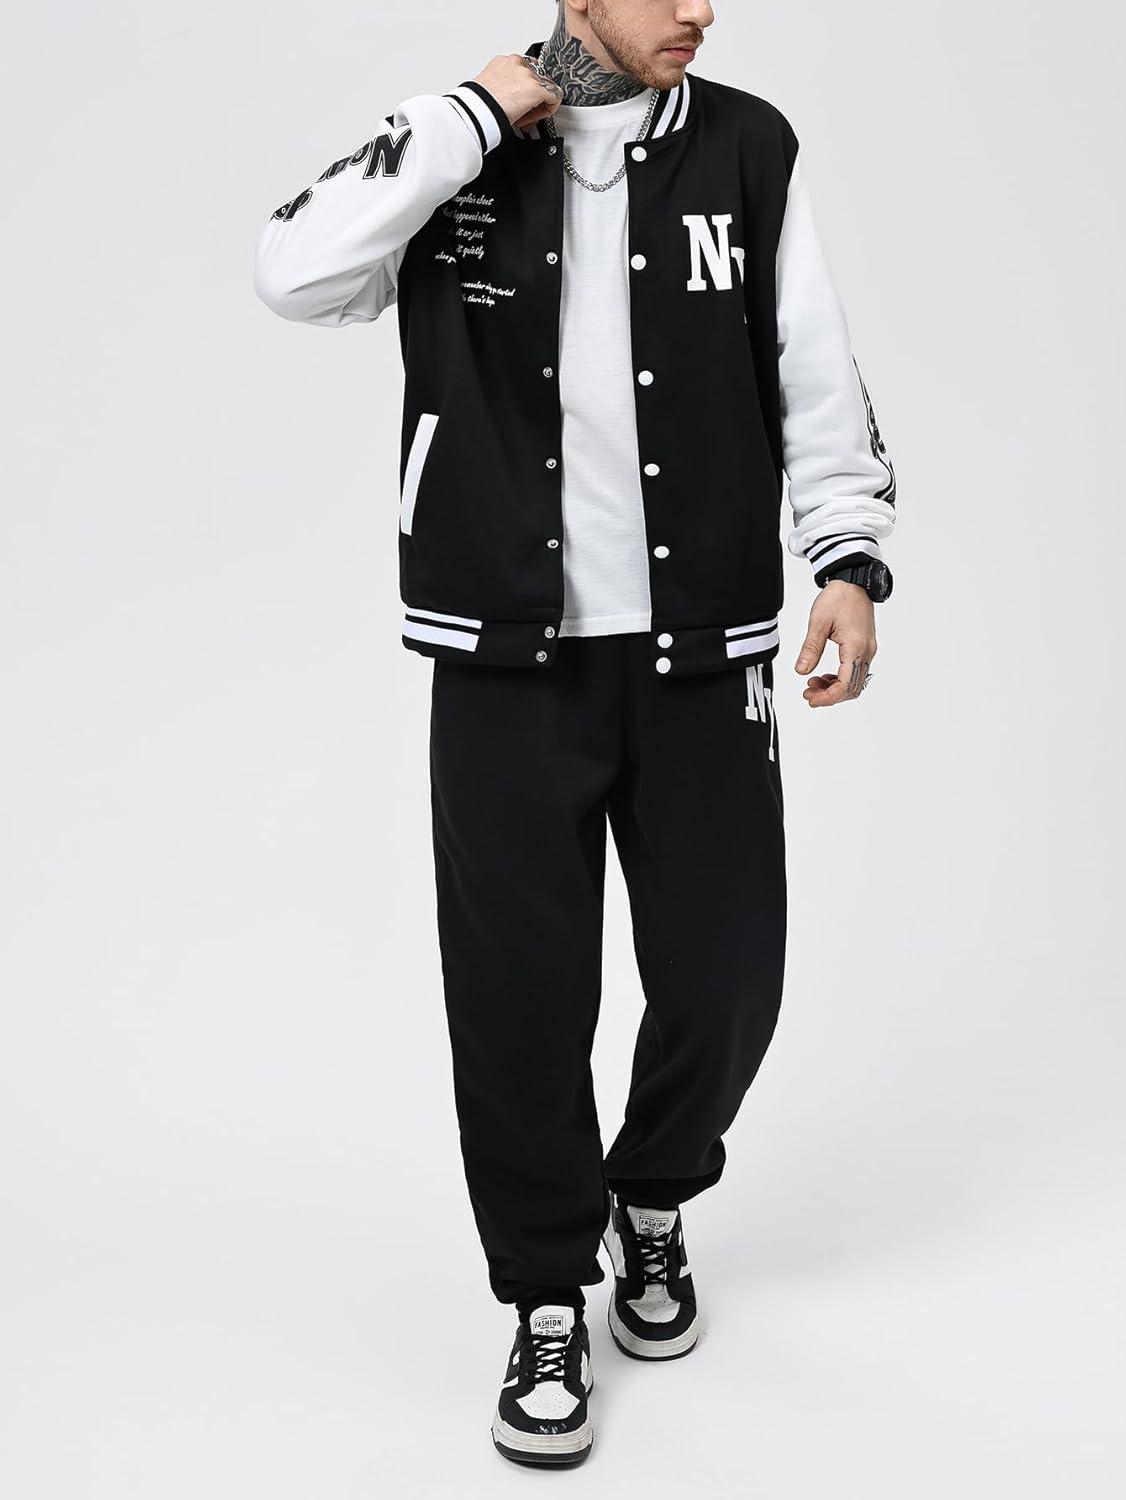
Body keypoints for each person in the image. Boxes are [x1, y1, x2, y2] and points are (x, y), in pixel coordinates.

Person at [253, 0, 896, 1468]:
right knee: (518, 998)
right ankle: (547, 1294)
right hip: (501, 653)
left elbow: (812, 364)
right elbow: (293, 272)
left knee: (728, 978)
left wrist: (847, 556)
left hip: (703, 649)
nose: (699, 9)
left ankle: (651, 1194)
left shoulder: (746, 147)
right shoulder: (458, 147)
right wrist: (477, 113)